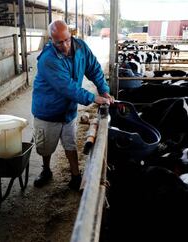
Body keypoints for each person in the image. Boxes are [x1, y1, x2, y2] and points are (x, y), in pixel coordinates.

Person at [31, 20, 113, 191]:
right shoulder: (47, 59)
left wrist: (103, 89)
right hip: (48, 110)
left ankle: (75, 176)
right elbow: (66, 87)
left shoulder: (81, 47)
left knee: (70, 142)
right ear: (51, 40)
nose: (65, 45)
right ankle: (46, 170)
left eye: (67, 39)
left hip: (68, 110)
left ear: (71, 34)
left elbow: (94, 68)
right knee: (46, 147)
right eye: (59, 42)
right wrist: (93, 98)